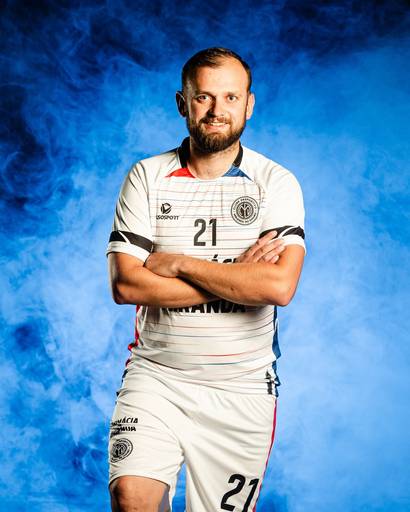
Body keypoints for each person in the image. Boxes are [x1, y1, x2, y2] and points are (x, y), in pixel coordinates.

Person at [106, 47, 305, 512]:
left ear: (249, 105)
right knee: (130, 498)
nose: (217, 110)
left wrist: (178, 263)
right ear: (183, 103)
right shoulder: (147, 176)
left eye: (230, 97)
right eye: (204, 97)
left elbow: (277, 287)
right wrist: (238, 277)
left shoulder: (275, 183)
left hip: (241, 389)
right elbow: (127, 286)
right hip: (157, 377)